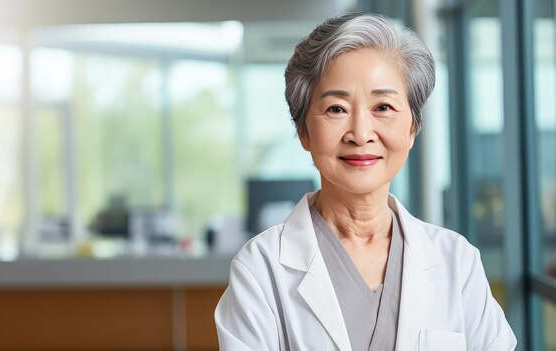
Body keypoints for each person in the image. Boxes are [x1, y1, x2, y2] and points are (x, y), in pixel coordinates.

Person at [214, 12, 516, 351]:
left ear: (413, 127)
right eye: (336, 109)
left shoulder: (457, 262)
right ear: (303, 131)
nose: (360, 133)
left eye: (383, 106)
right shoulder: (260, 269)